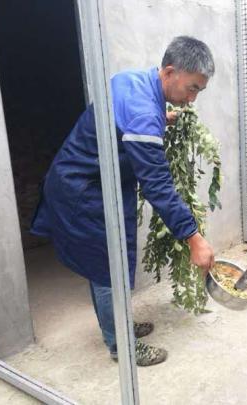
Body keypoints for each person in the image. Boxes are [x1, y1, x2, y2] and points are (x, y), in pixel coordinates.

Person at [30, 36, 216, 366]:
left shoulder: (133, 80)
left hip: (92, 182)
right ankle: (121, 347)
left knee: (107, 265)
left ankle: (119, 328)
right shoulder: (145, 115)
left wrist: (163, 117)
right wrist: (194, 237)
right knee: (107, 269)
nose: (191, 99)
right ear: (169, 72)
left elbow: (125, 118)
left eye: (198, 90)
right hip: (84, 191)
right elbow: (158, 185)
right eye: (192, 88)